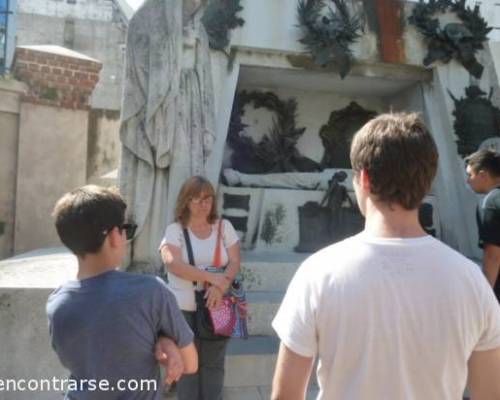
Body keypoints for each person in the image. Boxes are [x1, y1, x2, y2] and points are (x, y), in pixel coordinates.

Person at [271, 113, 500, 400]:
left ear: (364, 178)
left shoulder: (317, 273)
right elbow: (490, 393)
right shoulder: (472, 281)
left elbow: (286, 395)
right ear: (428, 180)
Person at [47, 185, 198, 399]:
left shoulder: (56, 304)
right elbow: (190, 363)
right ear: (115, 236)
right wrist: (166, 340)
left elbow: (105, 345)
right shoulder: (151, 292)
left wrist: (160, 339)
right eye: (126, 228)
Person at [119, 0, 216, 269]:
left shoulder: (201, 31)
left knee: (186, 177)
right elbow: (140, 67)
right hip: (160, 109)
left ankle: (182, 252)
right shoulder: (149, 17)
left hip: (191, 111)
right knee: (160, 180)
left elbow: (205, 79)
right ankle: (151, 252)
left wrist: (208, 124)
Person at [160, 175, 241, 400]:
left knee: (214, 363)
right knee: (188, 365)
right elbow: (172, 264)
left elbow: (234, 261)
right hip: (182, 308)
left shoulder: (224, 227)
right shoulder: (174, 230)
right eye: (197, 199)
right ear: (186, 201)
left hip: (219, 303)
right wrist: (212, 278)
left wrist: (220, 285)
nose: (204, 204)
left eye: (208, 198)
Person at [465, 148, 500, 302]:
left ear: (483, 175)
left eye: (469, 175)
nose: (468, 181)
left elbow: (493, 255)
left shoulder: (489, 204)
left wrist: (485, 297)